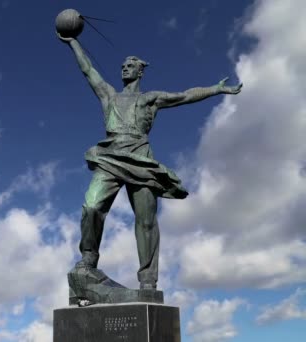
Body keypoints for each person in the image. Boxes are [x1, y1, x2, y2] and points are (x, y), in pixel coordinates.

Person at [58, 33, 242, 290]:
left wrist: (216, 89)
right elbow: (88, 70)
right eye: (122, 65)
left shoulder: (150, 98)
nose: (124, 68)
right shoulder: (109, 96)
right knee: (91, 206)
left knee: (145, 221)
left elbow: (185, 96)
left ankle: (148, 280)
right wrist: (72, 41)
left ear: (140, 72)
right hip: (111, 155)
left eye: (130, 65)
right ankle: (88, 258)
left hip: (141, 157)